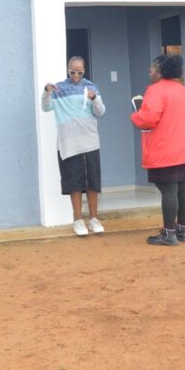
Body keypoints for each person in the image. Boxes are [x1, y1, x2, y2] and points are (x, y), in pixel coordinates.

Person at [130, 55, 185, 246]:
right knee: (182, 189)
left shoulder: (155, 91)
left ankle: (168, 234)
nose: (149, 72)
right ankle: (182, 230)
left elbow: (147, 119)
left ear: (161, 71)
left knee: (168, 191)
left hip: (165, 149)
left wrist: (135, 115)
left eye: (152, 69)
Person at [42, 56, 107, 236]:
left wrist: (95, 99)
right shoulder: (59, 88)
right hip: (69, 143)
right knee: (75, 184)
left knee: (93, 183)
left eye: (79, 72)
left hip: (90, 141)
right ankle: (78, 220)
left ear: (84, 70)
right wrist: (46, 92)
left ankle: (94, 218)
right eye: (72, 72)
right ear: (67, 69)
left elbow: (101, 112)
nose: (76, 75)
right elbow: (46, 108)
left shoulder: (91, 87)